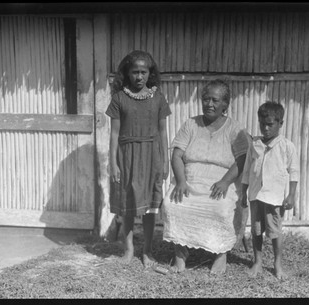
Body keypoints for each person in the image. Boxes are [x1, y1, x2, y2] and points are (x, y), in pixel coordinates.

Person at [162, 79, 250, 274]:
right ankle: (180, 255)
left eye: (215, 100)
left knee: (220, 208)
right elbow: (176, 155)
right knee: (172, 204)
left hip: (221, 182)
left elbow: (243, 160)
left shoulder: (235, 129)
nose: (209, 104)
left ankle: (220, 254)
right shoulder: (190, 124)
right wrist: (181, 181)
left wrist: (226, 181)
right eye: (206, 99)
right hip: (189, 180)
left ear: (225, 104)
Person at [106, 50, 171, 267]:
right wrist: (113, 162)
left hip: (152, 156)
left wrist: (165, 160)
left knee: (151, 208)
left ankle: (148, 251)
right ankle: (129, 250)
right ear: (127, 73)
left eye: (144, 72)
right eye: (135, 72)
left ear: (150, 73)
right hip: (127, 157)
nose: (139, 77)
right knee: (127, 206)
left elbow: (163, 132)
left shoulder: (159, 98)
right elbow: (114, 134)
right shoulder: (119, 98)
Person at [241, 101, 299, 279]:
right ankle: (257, 262)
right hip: (256, 195)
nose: (265, 128)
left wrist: (291, 195)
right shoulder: (255, 144)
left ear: (280, 124)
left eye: (270, 124)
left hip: (274, 198)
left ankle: (277, 264)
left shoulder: (286, 146)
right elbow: (247, 169)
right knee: (256, 230)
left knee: (274, 231)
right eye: (262, 124)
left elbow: (294, 171)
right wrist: (243, 192)